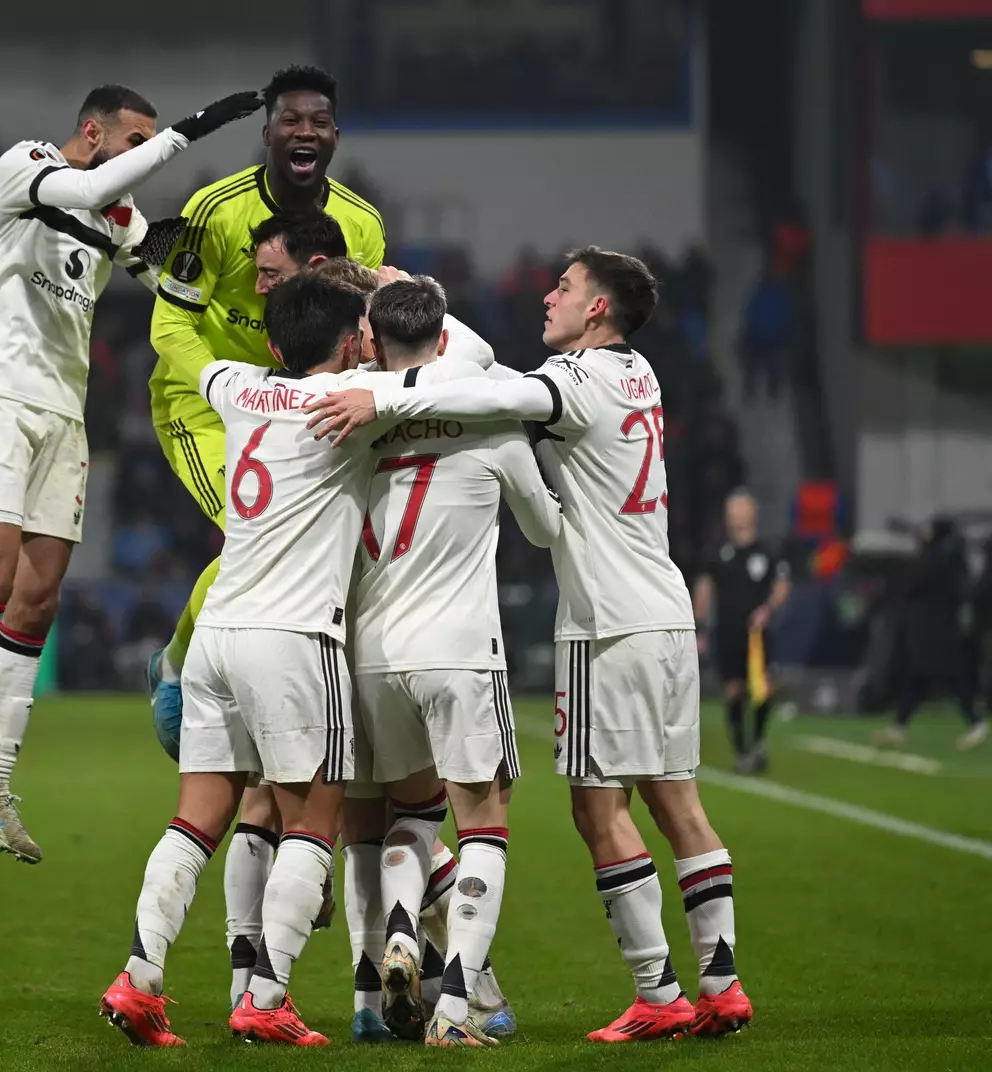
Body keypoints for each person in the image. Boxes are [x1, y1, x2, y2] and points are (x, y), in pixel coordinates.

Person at [306, 246, 754, 1042]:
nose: (548, 296)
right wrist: (398, 288)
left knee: (596, 810)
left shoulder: (574, 386)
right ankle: (721, 986)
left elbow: (483, 384)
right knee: (676, 802)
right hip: (662, 607)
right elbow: (471, 361)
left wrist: (378, 397)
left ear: (597, 311)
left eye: (565, 287)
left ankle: (658, 994)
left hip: (605, 622)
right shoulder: (637, 373)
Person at [0, 83, 261, 861]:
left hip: (65, 415)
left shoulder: (115, 216)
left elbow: (170, 274)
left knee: (37, 600)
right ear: (93, 132)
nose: (140, 159)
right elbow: (97, 187)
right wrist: (194, 131)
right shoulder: (25, 165)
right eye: (135, 143)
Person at [103, 275, 405, 1046]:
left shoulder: (241, 388)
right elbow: (460, 368)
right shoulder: (355, 406)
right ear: (351, 343)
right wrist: (395, 295)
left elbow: (173, 343)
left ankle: (139, 980)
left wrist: (172, 282)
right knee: (315, 817)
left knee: (196, 818)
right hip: (295, 638)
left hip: (216, 639)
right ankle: (266, 999)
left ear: (273, 344)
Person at [145, 63, 385, 744]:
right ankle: (177, 669)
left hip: (302, 406)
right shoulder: (215, 211)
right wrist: (234, 389)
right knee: (255, 533)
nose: (304, 130)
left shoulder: (361, 225)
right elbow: (169, 327)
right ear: (268, 133)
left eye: (318, 121)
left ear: (335, 135)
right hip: (205, 407)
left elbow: (365, 328)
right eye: (290, 120)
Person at [353, 278, 560, 1046]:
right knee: (485, 823)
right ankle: (455, 1006)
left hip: (371, 655)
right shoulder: (493, 423)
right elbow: (543, 530)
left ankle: (403, 930)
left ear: (372, 340)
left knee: (411, 813)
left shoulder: (356, 413)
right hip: (460, 653)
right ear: (444, 341)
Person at [693, 490, 791, 773]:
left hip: (757, 634)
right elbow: (704, 589)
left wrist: (767, 609)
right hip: (727, 632)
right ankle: (742, 750)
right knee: (734, 690)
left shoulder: (768, 551)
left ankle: (759, 741)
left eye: (738, 510)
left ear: (752, 513)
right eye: (730, 510)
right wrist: (699, 629)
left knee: (763, 689)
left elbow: (782, 585)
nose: (733, 516)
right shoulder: (717, 553)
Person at [872, 519, 986, 751]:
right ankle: (899, 727)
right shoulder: (949, 557)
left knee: (951, 679)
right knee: (917, 679)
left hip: (938, 632)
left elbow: (917, 581)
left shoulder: (942, 559)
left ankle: (976, 724)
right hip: (933, 631)